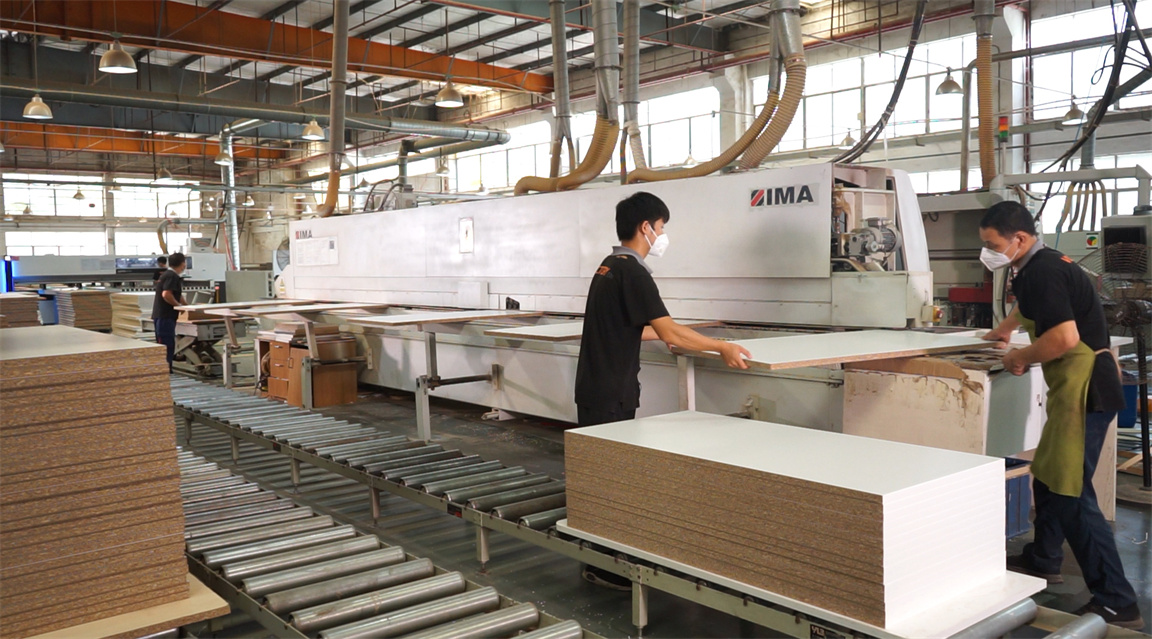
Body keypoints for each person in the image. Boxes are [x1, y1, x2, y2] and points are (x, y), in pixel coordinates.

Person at [574, 191, 751, 589]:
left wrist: (681, 337)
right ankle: (605, 565)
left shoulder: (609, 266)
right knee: (612, 478)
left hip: (596, 386)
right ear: (646, 227)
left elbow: (638, 328)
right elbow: (669, 330)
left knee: (604, 473)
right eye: (661, 227)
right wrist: (720, 346)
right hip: (611, 391)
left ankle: (600, 556)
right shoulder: (635, 273)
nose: (663, 235)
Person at [979, 202, 1142, 629]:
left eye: (992, 244)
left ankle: (1117, 601)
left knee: (1070, 493)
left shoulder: (1042, 271)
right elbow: (1036, 308)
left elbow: (1065, 338)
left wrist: (1020, 357)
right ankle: (1043, 559)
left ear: (1019, 239)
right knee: (1050, 476)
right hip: (1077, 389)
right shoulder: (1040, 265)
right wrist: (1005, 329)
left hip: (1085, 389)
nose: (988, 252)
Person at [152, 252, 187, 373]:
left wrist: (187, 306)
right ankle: (165, 371)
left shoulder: (169, 274)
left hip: (164, 316)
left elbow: (176, 294)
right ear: (182, 264)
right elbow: (166, 294)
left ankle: (166, 369)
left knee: (168, 343)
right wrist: (178, 306)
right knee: (166, 345)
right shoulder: (172, 276)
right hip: (165, 316)